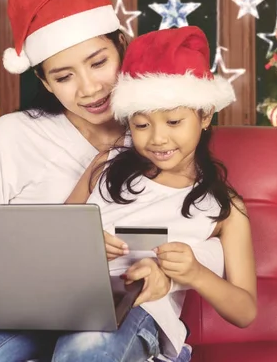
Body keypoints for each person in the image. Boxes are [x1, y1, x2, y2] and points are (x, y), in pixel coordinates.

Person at [0, 0, 224, 362]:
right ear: (44, 82)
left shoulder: (160, 135)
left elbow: (202, 225)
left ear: (121, 47)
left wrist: (169, 273)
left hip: (124, 319)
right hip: (25, 310)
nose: (89, 88)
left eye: (98, 63)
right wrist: (63, 250)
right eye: (64, 77)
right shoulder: (13, 135)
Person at [74, 26, 258, 361]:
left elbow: (245, 311)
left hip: (143, 313)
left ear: (204, 116)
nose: (157, 139)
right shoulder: (106, 166)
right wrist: (81, 243)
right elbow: (51, 231)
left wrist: (195, 274)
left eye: (174, 122)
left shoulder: (225, 208)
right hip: (72, 300)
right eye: (142, 125)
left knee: (86, 348)